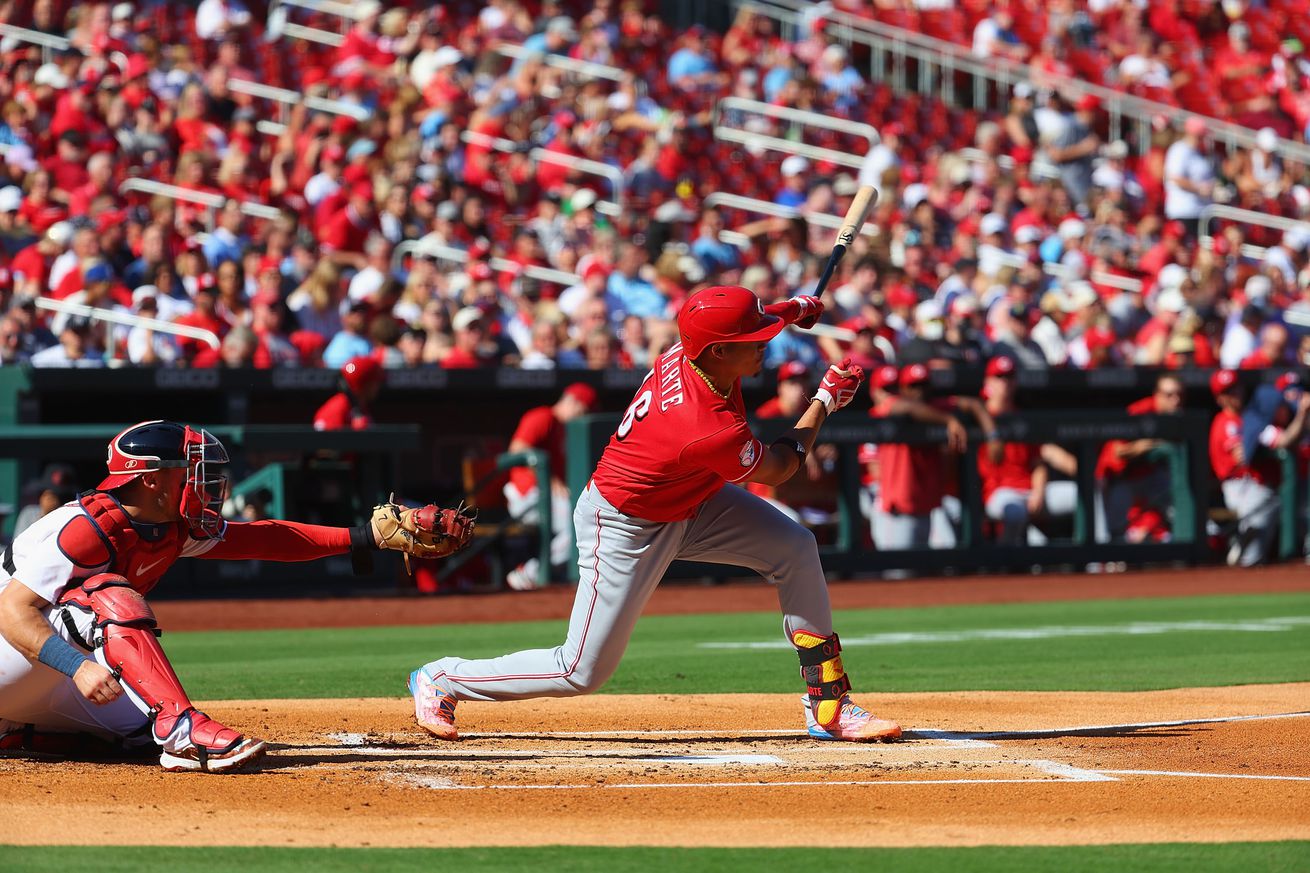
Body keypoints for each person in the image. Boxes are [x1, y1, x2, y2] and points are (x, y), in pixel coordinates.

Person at [408, 285, 904, 743]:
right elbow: (780, 468)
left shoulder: (692, 349)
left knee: (795, 547)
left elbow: (743, 321)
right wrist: (824, 401)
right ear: (718, 352)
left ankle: (828, 704)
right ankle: (443, 677)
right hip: (626, 523)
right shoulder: (706, 425)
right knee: (580, 670)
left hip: (692, 499)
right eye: (752, 339)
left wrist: (794, 309)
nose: (764, 343)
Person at [0, 421, 472, 772]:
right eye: (191, 469)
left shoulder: (168, 525)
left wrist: (364, 537)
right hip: (12, 655)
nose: (205, 482)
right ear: (150, 480)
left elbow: (268, 538)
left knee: (140, 734)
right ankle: (184, 730)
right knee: (108, 596)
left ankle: (22, 733)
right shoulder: (86, 527)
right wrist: (79, 667)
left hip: (34, 683)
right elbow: (12, 611)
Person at [871, 364, 992, 551]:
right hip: (896, 509)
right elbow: (906, 408)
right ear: (903, 388)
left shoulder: (934, 407)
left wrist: (994, 436)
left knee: (922, 574)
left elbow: (974, 404)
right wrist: (949, 420)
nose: (919, 391)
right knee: (898, 574)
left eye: (924, 385)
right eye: (913, 386)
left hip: (925, 507)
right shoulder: (892, 405)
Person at [501, 383, 598, 591]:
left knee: (583, 520)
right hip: (526, 494)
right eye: (584, 409)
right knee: (577, 522)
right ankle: (528, 573)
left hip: (544, 497)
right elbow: (517, 450)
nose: (583, 415)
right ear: (572, 401)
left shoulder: (561, 427)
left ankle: (541, 572)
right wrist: (552, 480)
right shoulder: (543, 416)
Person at [1210, 370, 1310, 566]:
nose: (1235, 394)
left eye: (1236, 388)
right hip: (1241, 486)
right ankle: (1239, 544)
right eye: (1228, 392)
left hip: (1265, 485)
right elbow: (1240, 455)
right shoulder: (1227, 422)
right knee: (1253, 552)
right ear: (1220, 398)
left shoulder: (1252, 416)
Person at [977, 356, 1079, 545]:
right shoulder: (980, 417)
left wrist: (1038, 491)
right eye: (999, 377)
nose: (1005, 383)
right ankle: (1003, 563)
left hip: (1031, 492)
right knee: (1015, 512)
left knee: (1084, 493)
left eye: (1009, 377)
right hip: (1000, 494)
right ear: (988, 382)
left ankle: (1098, 559)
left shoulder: (1022, 417)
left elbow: (1038, 463)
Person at [1095, 374, 1184, 543]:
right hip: (1115, 477)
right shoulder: (1140, 412)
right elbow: (1118, 451)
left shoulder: (1178, 417)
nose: (1176, 400)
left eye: (1179, 394)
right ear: (1157, 395)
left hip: (1146, 475)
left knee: (1178, 496)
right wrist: (1146, 444)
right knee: (1111, 531)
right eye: (1169, 395)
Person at [313, 355, 384, 431]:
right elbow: (325, 441)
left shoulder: (360, 406)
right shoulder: (337, 408)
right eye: (375, 382)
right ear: (365, 384)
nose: (378, 386)